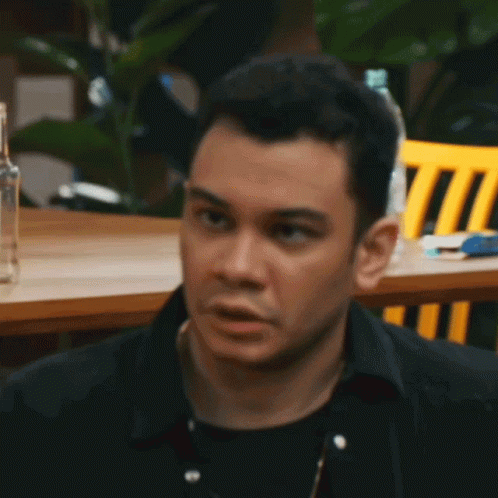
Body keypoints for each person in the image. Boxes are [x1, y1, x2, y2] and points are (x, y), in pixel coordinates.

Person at [1, 53, 498, 498]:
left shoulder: (471, 422)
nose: (237, 268)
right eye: (214, 219)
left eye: (289, 232)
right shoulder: (43, 423)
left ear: (371, 254)